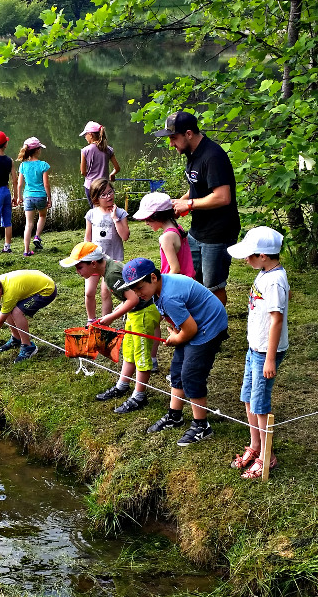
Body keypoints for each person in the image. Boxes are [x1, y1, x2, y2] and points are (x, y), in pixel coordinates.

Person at [117, 258, 229, 446]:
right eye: (133, 290)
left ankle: (202, 426)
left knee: (191, 376)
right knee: (177, 371)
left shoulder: (169, 296)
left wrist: (177, 338)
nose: (137, 293)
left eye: (139, 288)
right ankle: (174, 416)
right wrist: (178, 330)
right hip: (193, 325)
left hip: (208, 328)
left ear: (153, 277)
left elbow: (191, 330)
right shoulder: (157, 289)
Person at [60, 242, 159, 414]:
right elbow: (128, 298)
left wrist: (111, 318)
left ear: (93, 263)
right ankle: (122, 385)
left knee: (141, 355)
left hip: (143, 313)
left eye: (79, 267)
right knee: (129, 350)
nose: (78, 272)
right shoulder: (109, 270)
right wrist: (111, 314)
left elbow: (133, 300)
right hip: (135, 314)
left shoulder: (112, 274)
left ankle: (139, 396)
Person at [154, 111, 239, 305]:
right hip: (197, 231)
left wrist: (189, 204)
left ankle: (217, 330)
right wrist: (179, 201)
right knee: (192, 279)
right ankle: (200, 322)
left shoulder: (213, 156)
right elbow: (198, 186)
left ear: (189, 134)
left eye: (174, 138)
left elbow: (223, 197)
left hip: (218, 233)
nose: (171, 144)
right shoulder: (192, 154)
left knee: (213, 286)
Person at [226, 227, 290, 480]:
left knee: (261, 404)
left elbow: (276, 319)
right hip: (255, 348)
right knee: (248, 397)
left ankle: (267, 456)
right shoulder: (267, 273)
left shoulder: (274, 280)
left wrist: (271, 358)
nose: (245, 259)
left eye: (250, 255)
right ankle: (254, 445)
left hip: (265, 352)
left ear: (263, 255)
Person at [134, 191, 196, 372]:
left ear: (157, 216)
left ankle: (182, 369)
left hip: (174, 288)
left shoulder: (166, 237)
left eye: (148, 218)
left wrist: (158, 288)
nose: (146, 223)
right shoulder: (176, 229)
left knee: (180, 329)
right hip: (185, 283)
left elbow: (174, 268)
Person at [0, 270, 57, 363]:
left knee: (16, 312)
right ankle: (16, 338)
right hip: (38, 282)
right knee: (8, 309)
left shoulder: (9, 292)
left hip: (47, 290)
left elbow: (0, 321)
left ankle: (28, 347)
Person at [82, 179, 130, 321]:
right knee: (89, 292)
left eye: (110, 192)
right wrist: (85, 256)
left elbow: (125, 236)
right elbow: (87, 238)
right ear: (96, 198)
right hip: (93, 259)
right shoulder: (91, 214)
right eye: (104, 194)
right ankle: (91, 320)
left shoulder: (120, 213)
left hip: (112, 260)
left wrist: (115, 218)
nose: (109, 196)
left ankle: (105, 322)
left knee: (105, 292)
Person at [15, 137, 51, 257]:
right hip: (40, 196)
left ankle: (26, 250)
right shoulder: (43, 165)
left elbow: (19, 184)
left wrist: (19, 197)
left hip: (28, 197)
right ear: (37, 150)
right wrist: (49, 198)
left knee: (28, 223)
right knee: (42, 215)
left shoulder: (23, 166)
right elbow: (46, 184)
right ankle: (37, 236)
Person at [80, 121, 120, 206]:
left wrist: (90, 176)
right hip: (105, 186)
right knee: (106, 209)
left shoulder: (85, 150)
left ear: (90, 135)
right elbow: (117, 168)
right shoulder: (108, 149)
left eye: (85, 135)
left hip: (91, 186)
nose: (85, 137)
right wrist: (112, 174)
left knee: (95, 211)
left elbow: (83, 172)